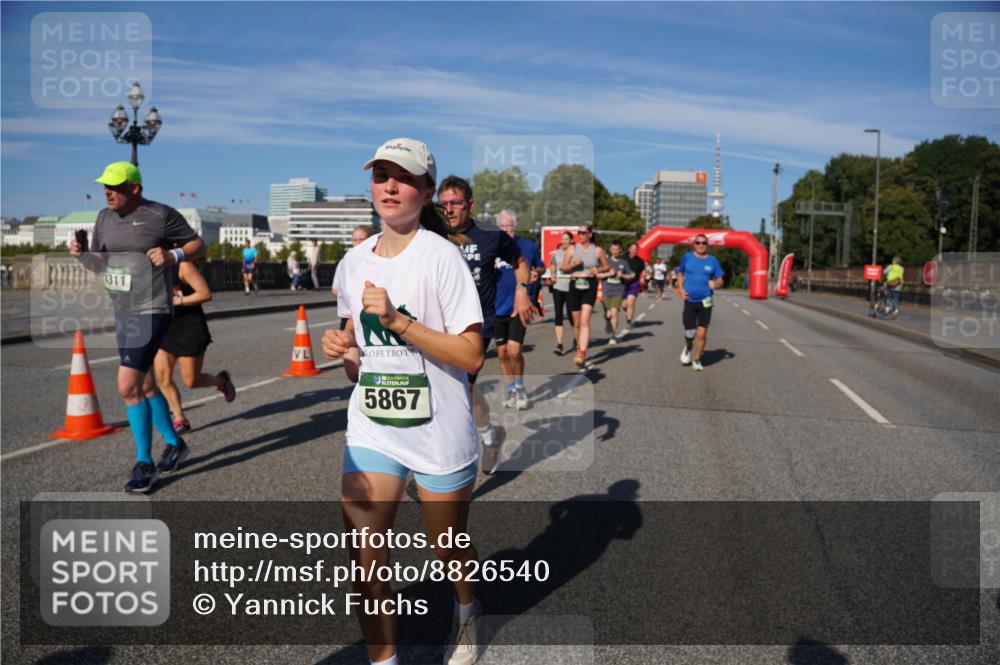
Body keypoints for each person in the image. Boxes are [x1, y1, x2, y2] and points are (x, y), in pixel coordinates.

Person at [321, 137, 486, 665]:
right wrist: (344, 347)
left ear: (428, 192)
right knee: (365, 554)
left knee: (447, 548)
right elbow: (357, 361)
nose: (390, 186)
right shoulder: (352, 262)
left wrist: (399, 321)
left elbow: (471, 355)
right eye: (381, 175)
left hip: (439, 430)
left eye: (405, 177)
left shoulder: (443, 259)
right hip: (375, 426)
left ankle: (466, 609)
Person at [71, 161, 205, 492]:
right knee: (144, 385)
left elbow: (198, 245)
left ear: (135, 188)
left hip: (154, 309)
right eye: (105, 185)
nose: (107, 191)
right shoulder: (103, 218)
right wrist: (82, 255)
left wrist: (173, 255)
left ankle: (145, 463)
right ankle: (175, 444)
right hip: (124, 310)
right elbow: (101, 266)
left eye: (114, 186)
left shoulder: (160, 214)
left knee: (126, 385)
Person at [438, 175, 533, 475]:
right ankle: (491, 437)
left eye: (455, 203)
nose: (449, 210)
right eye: (444, 205)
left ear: (470, 205)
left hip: (477, 324)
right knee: (459, 388)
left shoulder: (491, 236)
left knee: (456, 386)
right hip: (438, 323)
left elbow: (520, 262)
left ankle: (445, 467)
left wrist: (521, 292)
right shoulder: (431, 235)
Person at [153, 259, 237, 435]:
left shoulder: (182, 266)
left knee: (192, 381)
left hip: (189, 329)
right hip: (165, 327)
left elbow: (205, 293)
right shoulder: (147, 266)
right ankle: (179, 419)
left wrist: (177, 301)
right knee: (162, 376)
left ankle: (222, 381)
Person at [495, 210, 543, 409]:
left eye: (510, 226)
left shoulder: (528, 246)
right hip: (497, 307)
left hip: (521, 306)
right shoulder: (493, 246)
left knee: (515, 351)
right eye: (503, 226)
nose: (506, 229)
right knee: (502, 353)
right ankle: (510, 388)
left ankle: (520, 387)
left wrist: (536, 272)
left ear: (515, 227)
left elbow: (541, 266)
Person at [560, 222, 609, 368]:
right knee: (576, 323)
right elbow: (563, 268)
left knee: (585, 320)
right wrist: (574, 265)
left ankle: (582, 351)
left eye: (583, 233)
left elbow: (606, 266)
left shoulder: (598, 250)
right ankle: (578, 346)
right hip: (575, 285)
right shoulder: (572, 248)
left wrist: (597, 270)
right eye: (579, 233)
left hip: (590, 285)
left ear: (590, 234)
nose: (580, 235)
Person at [675, 233, 724, 372]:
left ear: (707, 245)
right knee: (690, 333)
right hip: (690, 300)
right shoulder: (687, 257)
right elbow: (680, 273)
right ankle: (689, 347)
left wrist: (717, 284)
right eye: (698, 242)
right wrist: (681, 289)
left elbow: (720, 279)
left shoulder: (713, 261)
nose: (701, 245)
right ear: (693, 244)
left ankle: (696, 359)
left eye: (704, 243)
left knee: (702, 333)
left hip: (706, 301)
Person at [601, 240, 633, 344]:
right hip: (606, 291)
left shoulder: (624, 263)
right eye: (613, 249)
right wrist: (608, 274)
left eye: (617, 250)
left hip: (618, 291)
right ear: (610, 250)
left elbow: (630, 276)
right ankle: (607, 322)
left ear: (620, 250)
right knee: (608, 314)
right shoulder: (606, 261)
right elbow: (597, 273)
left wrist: (623, 275)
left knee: (614, 313)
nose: (615, 251)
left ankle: (613, 336)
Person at [548, 231, 575, 354]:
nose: (564, 241)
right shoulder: (556, 254)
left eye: (566, 239)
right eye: (562, 239)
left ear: (571, 240)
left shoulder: (575, 253)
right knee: (558, 314)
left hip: (572, 288)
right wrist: (552, 276)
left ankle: (577, 338)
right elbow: (552, 268)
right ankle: (559, 344)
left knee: (571, 315)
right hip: (558, 287)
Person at [621, 242, 646, 333]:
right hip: (623, 284)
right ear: (629, 249)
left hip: (634, 284)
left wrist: (642, 278)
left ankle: (629, 321)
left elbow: (642, 271)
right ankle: (628, 313)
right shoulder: (623, 258)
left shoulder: (640, 261)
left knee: (630, 303)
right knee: (624, 305)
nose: (634, 251)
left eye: (635, 249)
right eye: (632, 249)